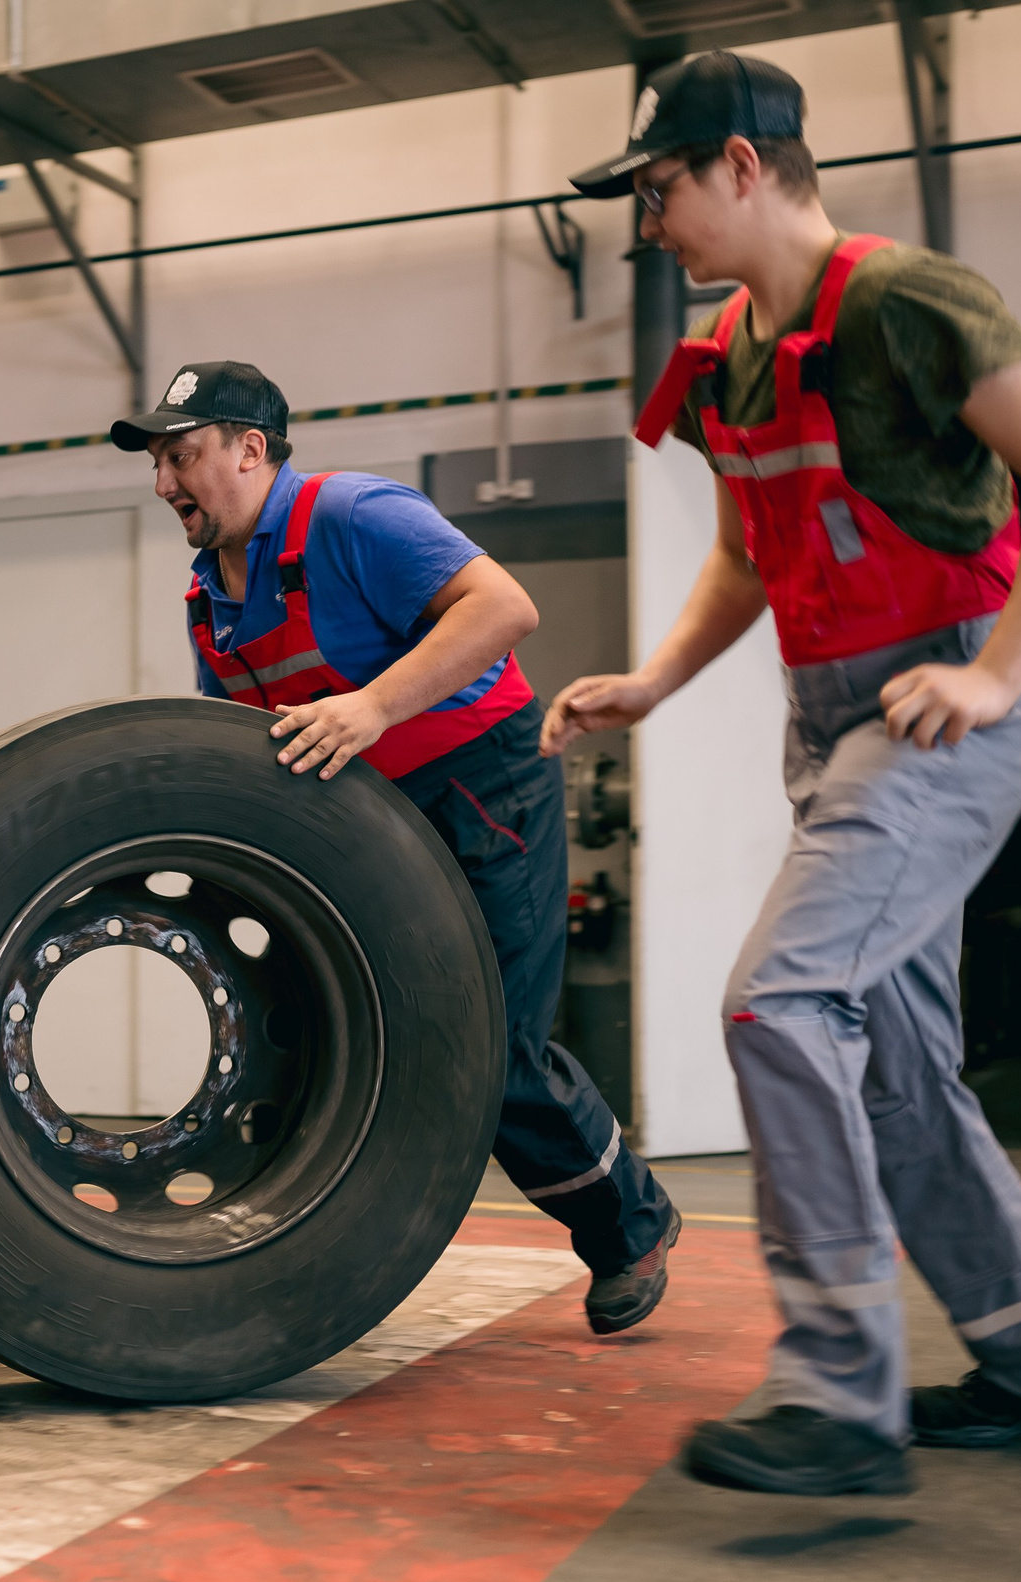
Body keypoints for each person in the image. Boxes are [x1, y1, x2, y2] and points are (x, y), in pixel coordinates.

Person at [550, 51, 1021, 1495]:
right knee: (901, 1071)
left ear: (746, 166)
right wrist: (655, 678)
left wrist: (1000, 671)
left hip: (938, 713)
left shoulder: (909, 302)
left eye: (662, 188)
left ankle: (839, 1386)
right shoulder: (733, 355)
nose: (648, 224)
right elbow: (752, 554)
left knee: (779, 999)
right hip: (833, 722)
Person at [111, 361, 682, 1335]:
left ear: (250, 451)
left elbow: (504, 609)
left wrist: (372, 704)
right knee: (352, 1039)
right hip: (365, 817)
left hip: (481, 788)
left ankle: (628, 1223)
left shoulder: (354, 515)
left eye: (182, 455)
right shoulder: (208, 596)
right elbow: (237, 745)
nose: (165, 483)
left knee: (491, 1049)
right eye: (159, 462)